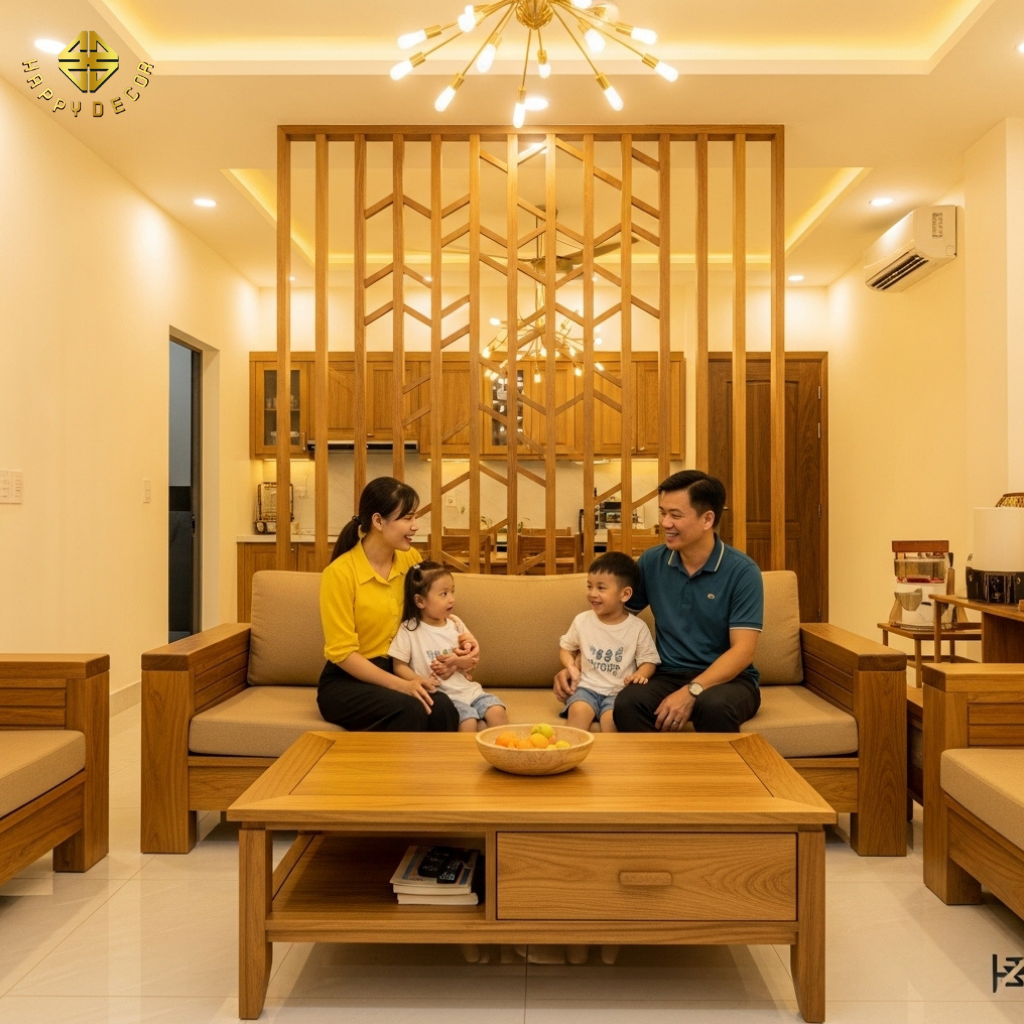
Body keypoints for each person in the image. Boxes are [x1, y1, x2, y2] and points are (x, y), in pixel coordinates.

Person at [555, 470, 762, 733]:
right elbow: (612, 621)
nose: (664, 523)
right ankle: (657, 762)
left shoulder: (743, 572)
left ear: (707, 519)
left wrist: (692, 690)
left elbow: (743, 651)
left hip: (729, 680)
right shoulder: (652, 562)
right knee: (627, 703)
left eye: (675, 515)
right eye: (663, 512)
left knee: (713, 706)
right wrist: (576, 667)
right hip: (667, 675)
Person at [318, 476, 477, 732]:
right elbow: (342, 654)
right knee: (412, 708)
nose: (415, 526)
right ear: (378, 521)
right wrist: (403, 685)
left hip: (400, 668)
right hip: (348, 680)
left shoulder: (410, 560)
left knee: (444, 707)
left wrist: (464, 640)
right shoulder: (339, 574)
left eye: (415, 517)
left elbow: (431, 610)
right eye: (407, 518)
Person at [389, 561, 508, 733]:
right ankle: (464, 752)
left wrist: (458, 661)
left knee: (497, 712)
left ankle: (503, 749)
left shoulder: (455, 623)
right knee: (468, 722)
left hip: (470, 690)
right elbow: (398, 666)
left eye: (452, 591)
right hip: (445, 698)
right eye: (444, 594)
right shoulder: (409, 629)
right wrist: (419, 680)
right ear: (420, 601)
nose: (451, 598)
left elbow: (471, 660)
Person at [556, 552, 660, 733]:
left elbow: (649, 661)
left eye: (601, 588)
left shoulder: (637, 627)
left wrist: (640, 675)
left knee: (611, 721)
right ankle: (569, 748)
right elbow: (566, 649)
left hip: (619, 693)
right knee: (578, 712)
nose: (592, 594)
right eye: (590, 586)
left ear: (625, 594)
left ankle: (610, 752)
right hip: (586, 689)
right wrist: (571, 667)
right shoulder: (582, 621)